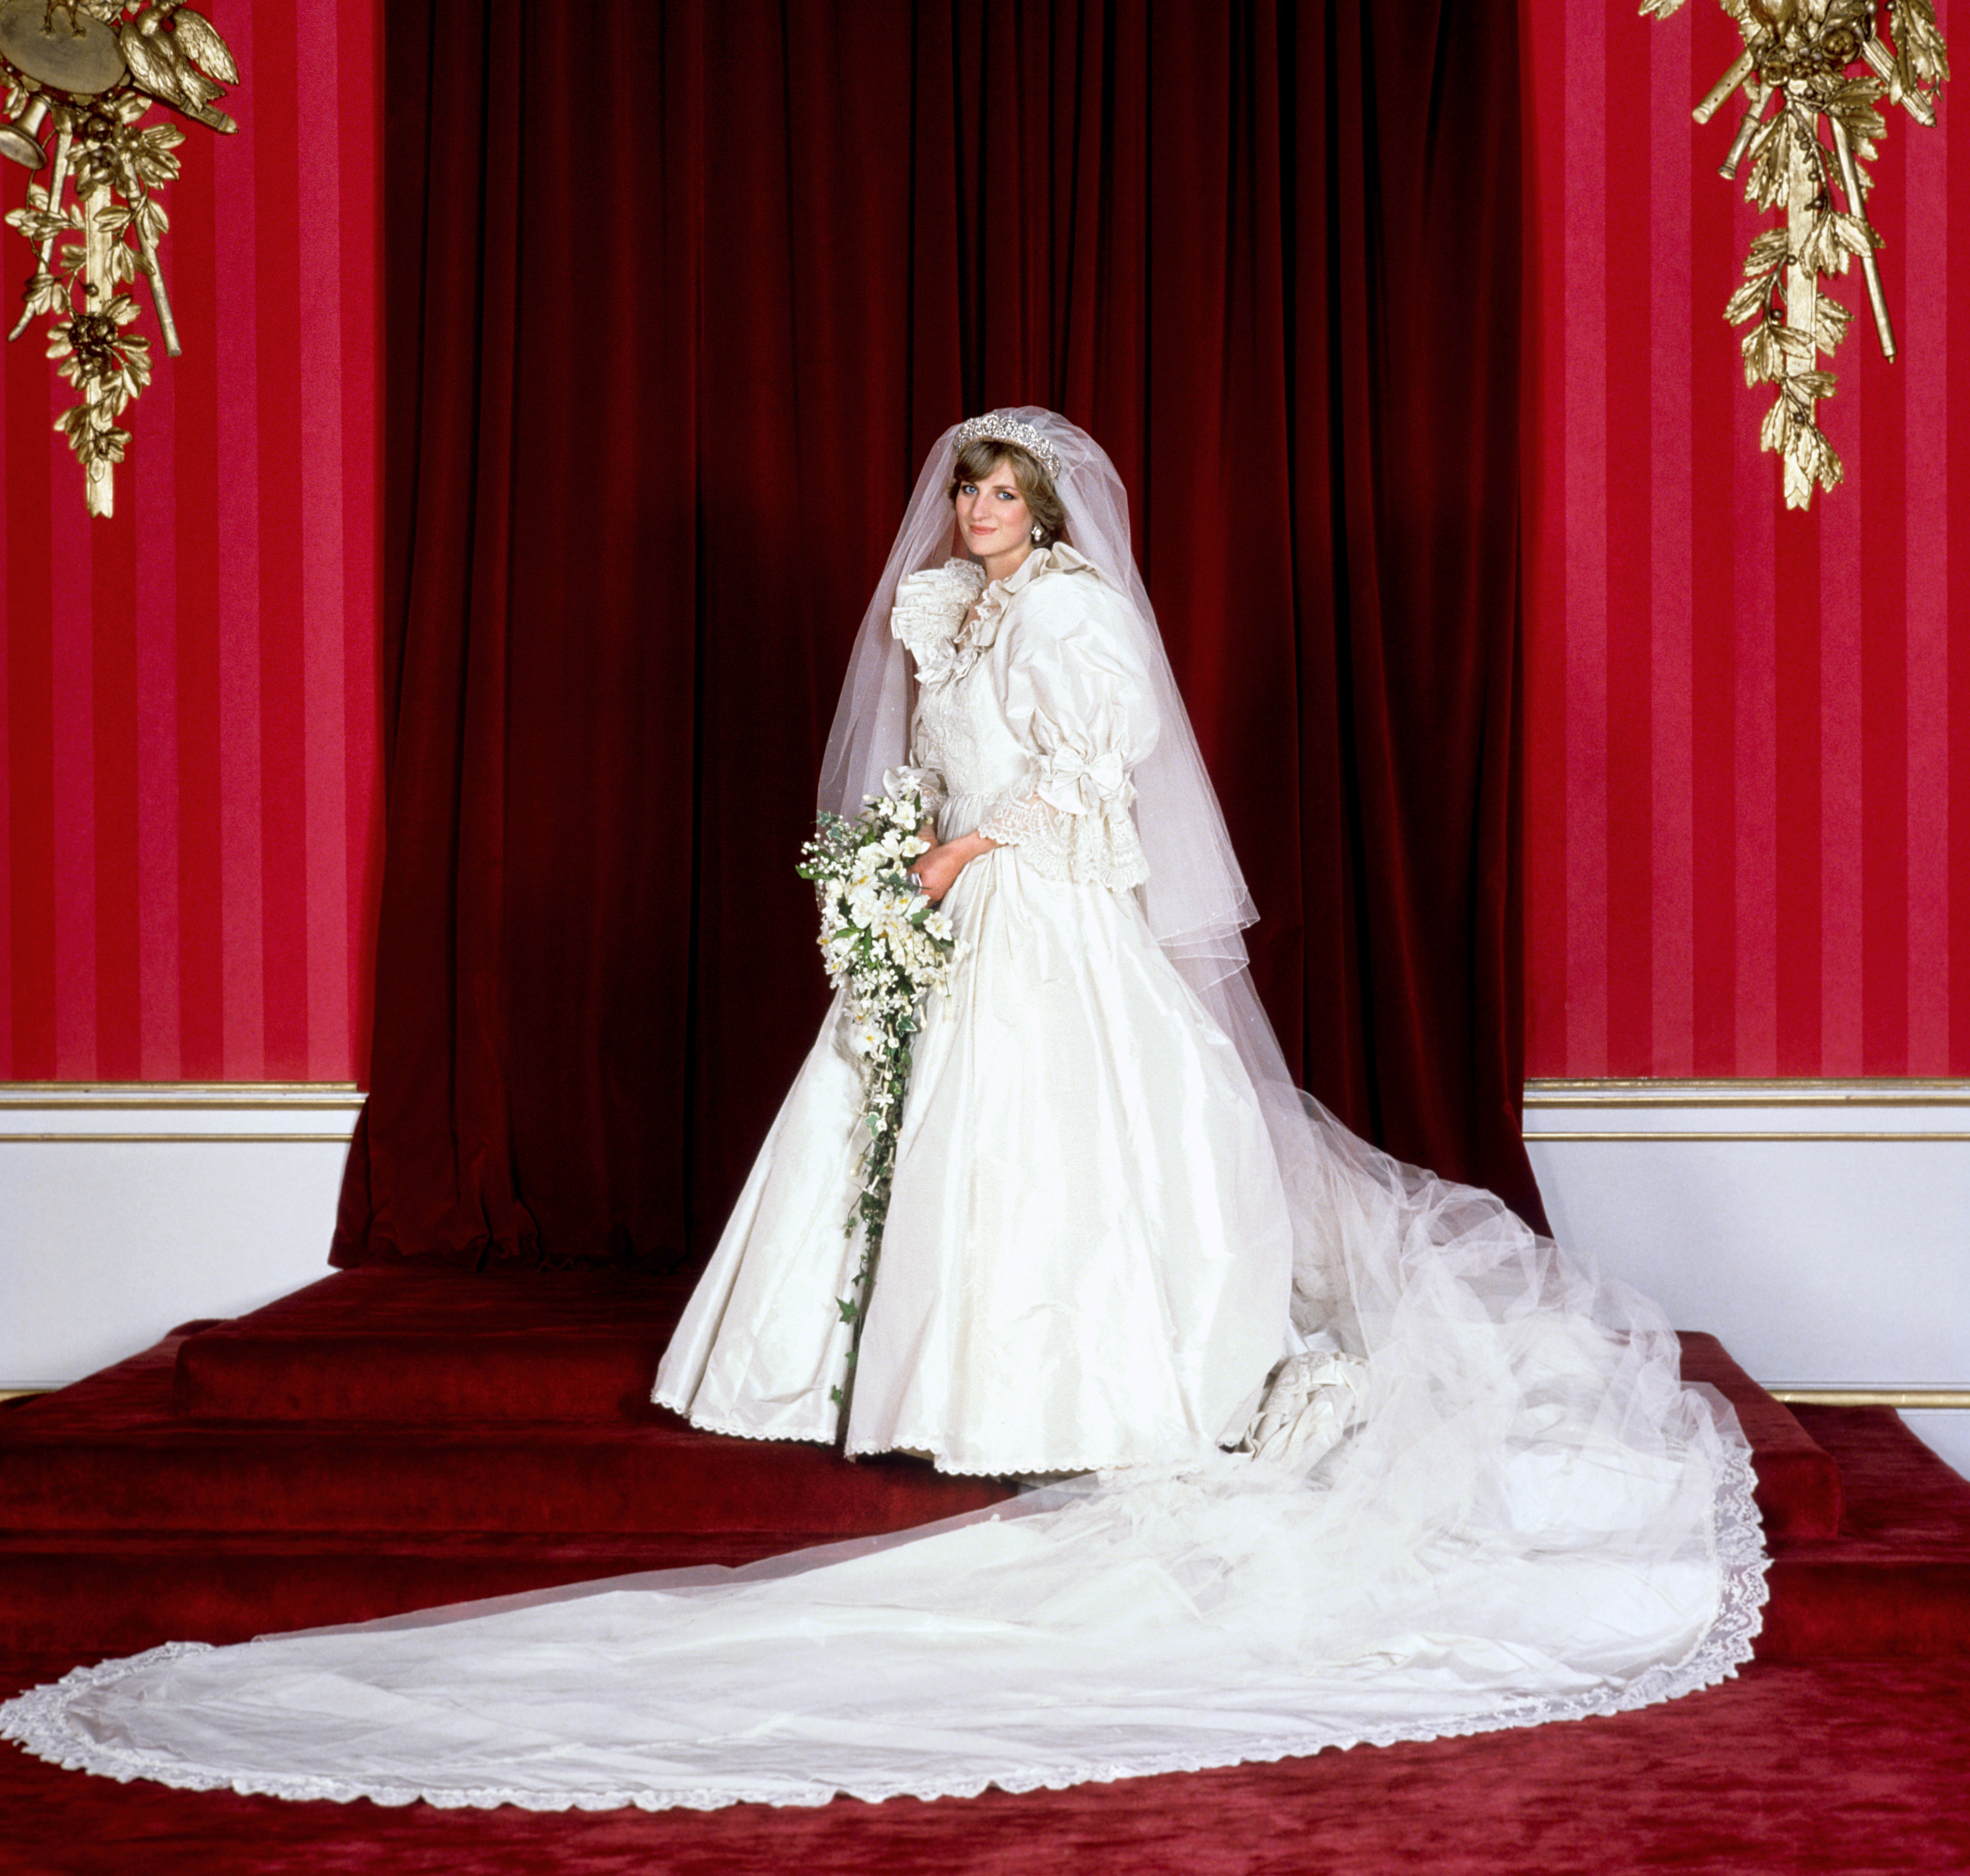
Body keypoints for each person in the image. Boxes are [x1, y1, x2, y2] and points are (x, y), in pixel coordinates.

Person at [0, 411, 1767, 1813]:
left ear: (1048, 512)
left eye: (1003, 494)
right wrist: (895, 860)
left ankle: (1065, 1378)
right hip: (954, 891)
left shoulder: (1075, 612)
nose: (982, 513)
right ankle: (890, 1371)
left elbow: (1104, 768)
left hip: (1041, 906)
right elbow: (929, 756)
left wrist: (974, 847)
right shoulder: (944, 607)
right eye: (971, 493)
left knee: (1067, 1144)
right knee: (909, 1133)